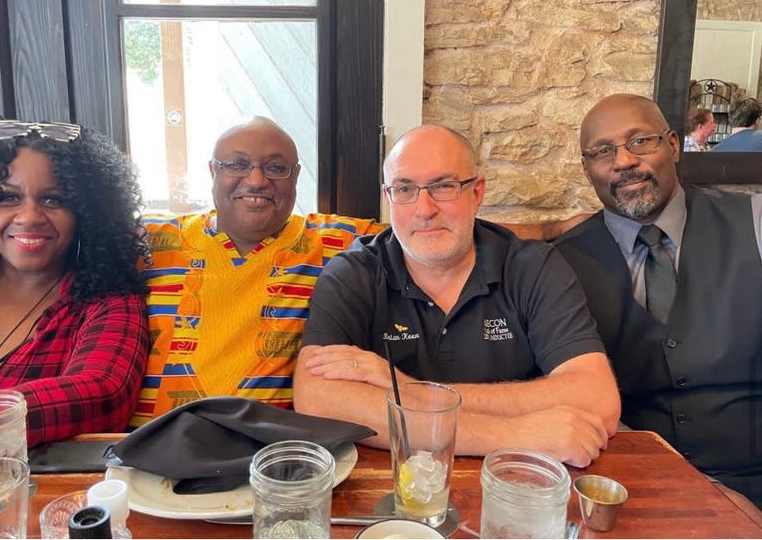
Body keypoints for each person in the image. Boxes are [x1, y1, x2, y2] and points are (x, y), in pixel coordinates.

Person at [293, 124, 620, 468]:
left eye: (443, 186)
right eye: (404, 189)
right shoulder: (354, 273)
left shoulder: (533, 267)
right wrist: (511, 434)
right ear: (388, 198)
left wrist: (411, 391)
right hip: (399, 486)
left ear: (476, 193)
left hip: (518, 482)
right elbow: (316, 397)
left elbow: (596, 398)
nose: (424, 209)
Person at [555, 93, 762, 507]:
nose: (624, 160)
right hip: (632, 489)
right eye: (603, 151)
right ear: (586, 169)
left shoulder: (754, 222)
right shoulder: (562, 263)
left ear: (673, 146)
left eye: (640, 141)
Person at [130, 116, 384, 427]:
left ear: (295, 176)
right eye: (237, 164)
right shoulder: (151, 239)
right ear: (213, 171)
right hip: (140, 444)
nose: (256, 180)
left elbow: (418, 232)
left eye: (276, 168)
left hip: (267, 449)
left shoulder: (337, 241)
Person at [0, 117, 150, 462]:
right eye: (7, 197)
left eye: (53, 200)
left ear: (86, 213)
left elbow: (103, 392)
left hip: (28, 491)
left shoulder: (108, 298)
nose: (29, 217)